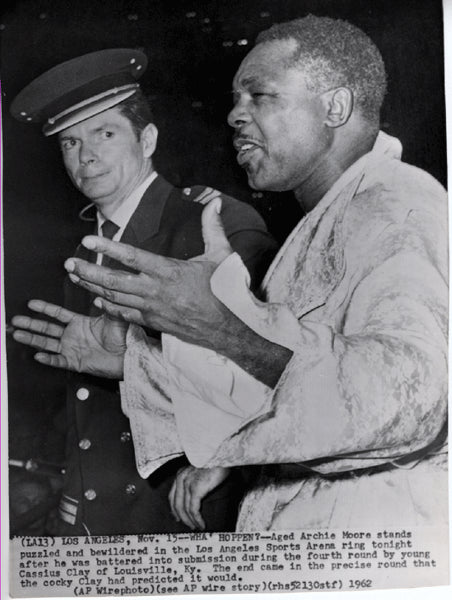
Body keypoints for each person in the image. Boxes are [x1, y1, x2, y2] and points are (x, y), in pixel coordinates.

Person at [17, 15, 448, 531]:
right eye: (235, 99)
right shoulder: (328, 220)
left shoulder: (395, 207)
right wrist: (136, 362)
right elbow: (279, 387)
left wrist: (221, 328)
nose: (234, 116)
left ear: (335, 106)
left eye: (259, 95)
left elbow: (412, 400)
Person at [10, 48, 278, 535]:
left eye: (105, 134)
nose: (85, 156)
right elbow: (84, 400)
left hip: (179, 515)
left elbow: (269, 378)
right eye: (69, 143)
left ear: (147, 138)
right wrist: (76, 492)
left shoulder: (213, 228)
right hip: (96, 515)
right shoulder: (86, 245)